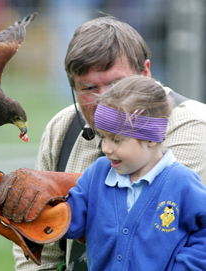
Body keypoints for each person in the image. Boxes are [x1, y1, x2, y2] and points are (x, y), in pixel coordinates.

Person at [13, 14, 206, 271]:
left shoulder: (194, 127)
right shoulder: (62, 128)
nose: (104, 100)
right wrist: (25, 213)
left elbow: (174, 225)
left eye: (116, 84)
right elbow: (41, 252)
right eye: (89, 88)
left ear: (145, 73)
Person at [62, 75, 206, 270]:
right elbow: (70, 222)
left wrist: (186, 265)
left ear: (151, 138)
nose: (105, 148)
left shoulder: (182, 182)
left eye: (116, 139)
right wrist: (44, 213)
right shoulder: (97, 174)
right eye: (103, 137)